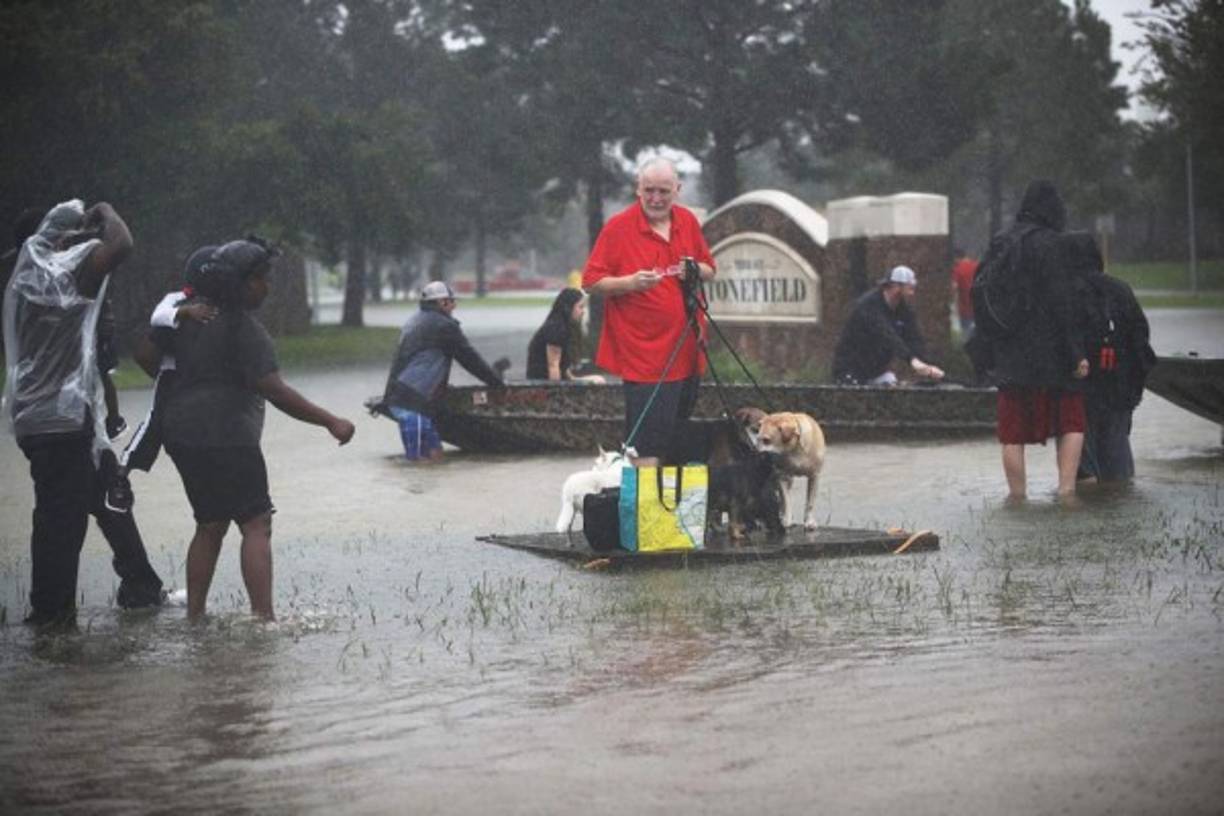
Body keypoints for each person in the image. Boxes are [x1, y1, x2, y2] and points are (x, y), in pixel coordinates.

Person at [151, 239, 355, 621]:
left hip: (180, 434)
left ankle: (195, 617)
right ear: (241, 284)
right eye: (261, 279)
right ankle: (264, 619)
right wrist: (331, 421)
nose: (268, 287)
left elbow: (147, 358)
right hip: (227, 435)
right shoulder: (244, 329)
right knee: (256, 523)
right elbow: (275, 390)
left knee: (209, 524)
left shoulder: (185, 320)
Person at [2, 200, 164, 628]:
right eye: (70, 235)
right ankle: (51, 617)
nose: (81, 241)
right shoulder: (62, 278)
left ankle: (142, 588)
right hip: (61, 422)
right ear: (53, 241)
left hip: (58, 418)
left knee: (109, 496)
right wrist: (107, 211)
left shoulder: (21, 280)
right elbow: (121, 243)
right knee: (61, 520)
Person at [581, 156, 716, 466]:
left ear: (677, 190)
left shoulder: (687, 222)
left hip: (687, 350)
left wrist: (694, 269)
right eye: (649, 190)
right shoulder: (618, 228)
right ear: (637, 190)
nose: (656, 198)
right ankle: (646, 513)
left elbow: (710, 269)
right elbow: (591, 282)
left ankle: (675, 510)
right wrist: (629, 282)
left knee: (677, 438)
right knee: (645, 445)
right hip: (645, 357)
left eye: (663, 191)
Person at [980, 180, 1089, 499]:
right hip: (1052, 352)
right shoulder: (1054, 244)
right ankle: (1066, 490)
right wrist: (1076, 353)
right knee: (1070, 421)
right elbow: (1062, 302)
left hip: (1010, 350)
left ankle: (1017, 496)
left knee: (1012, 431)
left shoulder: (1001, 241)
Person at [107, 245, 219, 512]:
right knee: (155, 420)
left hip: (201, 384)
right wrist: (184, 313)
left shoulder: (223, 307)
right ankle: (122, 471)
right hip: (172, 372)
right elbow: (157, 321)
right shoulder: (179, 301)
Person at [1064, 232, 1156, 483]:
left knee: (1083, 461)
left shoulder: (1068, 293)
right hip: (1119, 386)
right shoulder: (1121, 289)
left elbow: (1061, 337)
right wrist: (1133, 386)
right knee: (1118, 458)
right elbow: (1141, 338)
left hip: (1082, 388)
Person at [380, 280, 506, 462]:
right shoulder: (444, 326)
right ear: (442, 303)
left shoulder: (415, 320)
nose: (455, 305)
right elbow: (469, 359)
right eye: (452, 301)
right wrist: (496, 383)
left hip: (403, 397)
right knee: (417, 464)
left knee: (435, 460)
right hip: (412, 402)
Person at [832, 265, 946, 386]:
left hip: (877, 372)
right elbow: (887, 335)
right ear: (895, 286)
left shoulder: (904, 311)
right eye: (909, 285)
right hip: (851, 371)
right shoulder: (868, 306)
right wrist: (911, 359)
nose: (913, 288)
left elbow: (914, 339)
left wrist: (928, 365)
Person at [526, 287, 587, 381]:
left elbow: (563, 367)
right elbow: (553, 366)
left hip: (556, 380)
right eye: (580, 307)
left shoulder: (563, 326)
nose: (583, 311)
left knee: (598, 380)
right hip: (542, 384)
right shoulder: (556, 329)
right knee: (598, 382)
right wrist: (557, 393)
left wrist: (575, 379)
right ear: (568, 307)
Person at [951, 247, 979, 335]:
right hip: (979, 307)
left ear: (956, 258)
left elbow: (953, 287)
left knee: (967, 335)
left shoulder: (957, 270)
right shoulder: (977, 266)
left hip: (965, 310)